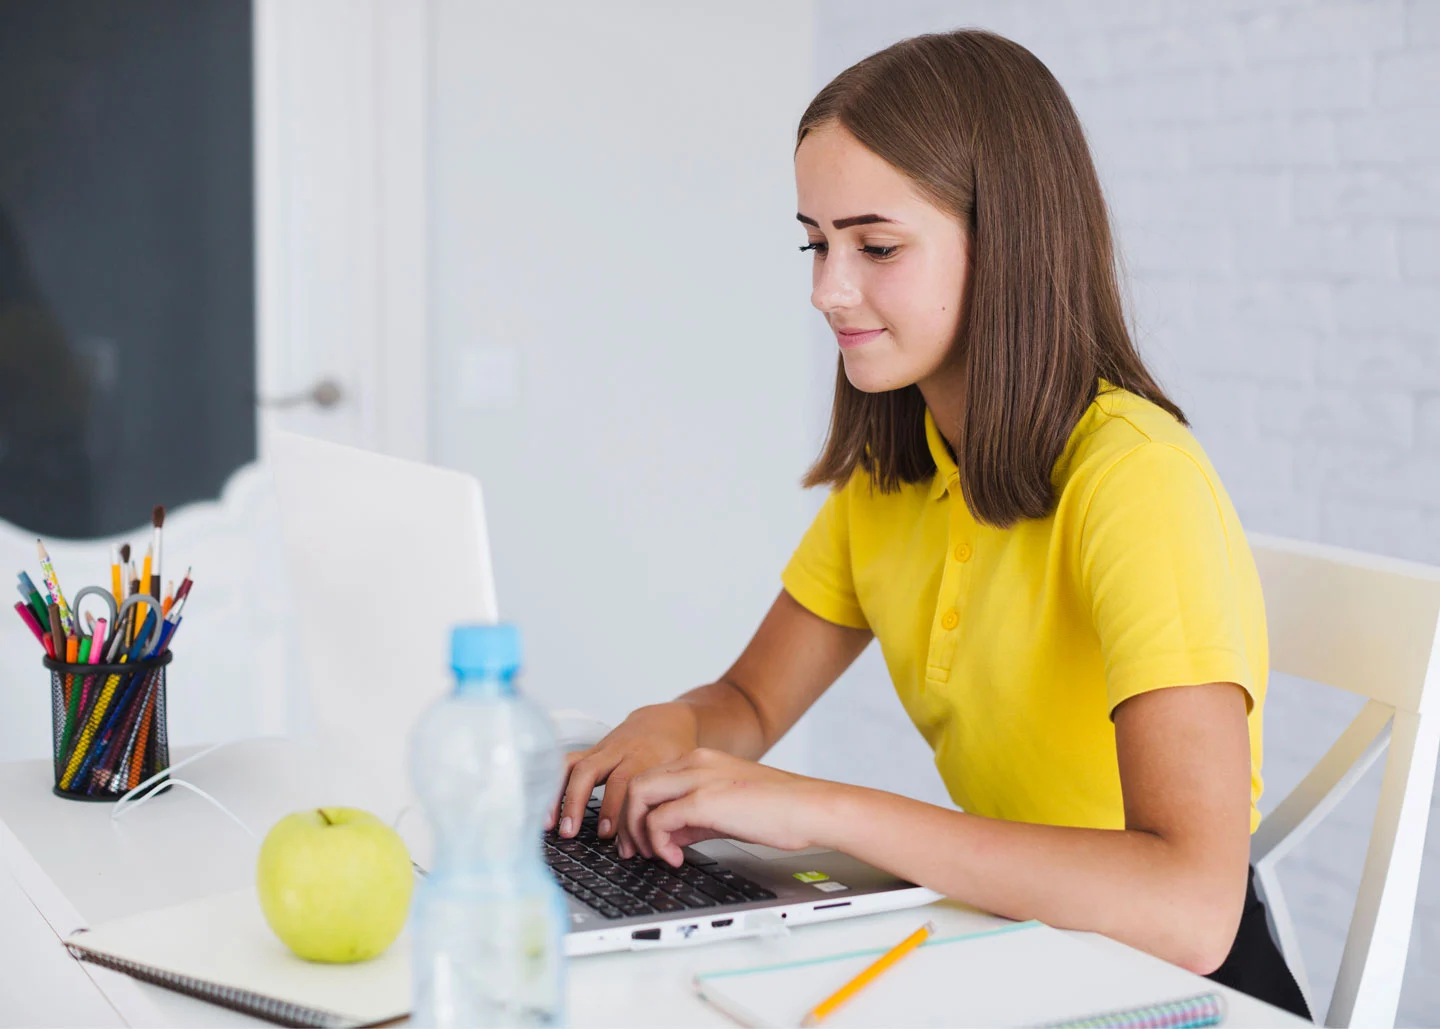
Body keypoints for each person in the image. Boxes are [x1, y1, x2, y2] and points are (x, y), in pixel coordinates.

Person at [549, 29, 1309, 1018]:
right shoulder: (895, 474)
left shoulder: (1136, 482)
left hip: (1172, 987)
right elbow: (748, 696)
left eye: (876, 245)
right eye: (816, 242)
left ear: (1009, 241)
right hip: (1022, 955)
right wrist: (674, 726)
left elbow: (1191, 907)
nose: (828, 289)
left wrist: (819, 809)